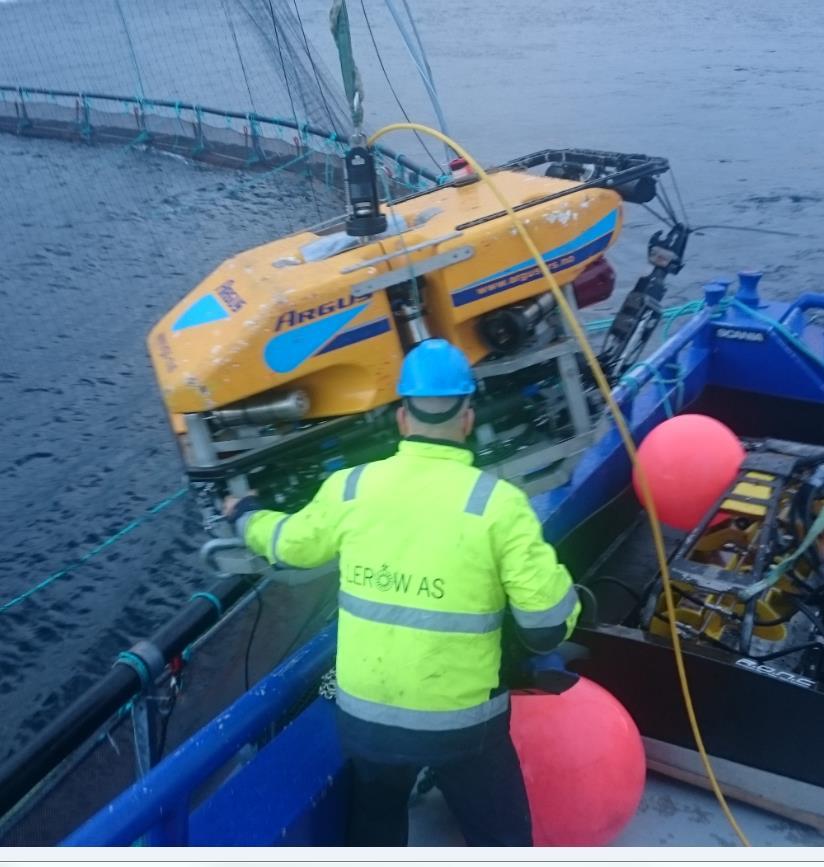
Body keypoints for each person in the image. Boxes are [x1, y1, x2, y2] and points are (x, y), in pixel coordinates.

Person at [223, 338, 580, 847]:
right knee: (501, 834)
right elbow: (546, 627)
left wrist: (244, 514)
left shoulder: (350, 488)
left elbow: (288, 545)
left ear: (401, 419)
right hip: (463, 728)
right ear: (468, 418)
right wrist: (574, 596)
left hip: (367, 721)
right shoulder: (500, 505)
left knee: (376, 813)